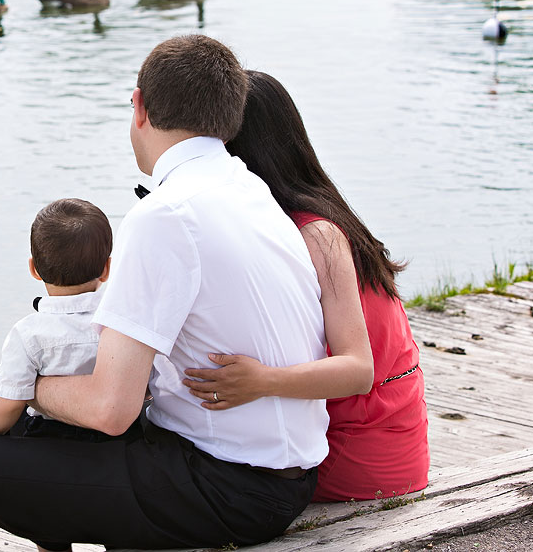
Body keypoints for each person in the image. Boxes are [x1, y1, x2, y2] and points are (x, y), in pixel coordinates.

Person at [0, 35, 330, 552]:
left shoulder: (165, 215)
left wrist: (26, 383)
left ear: (140, 106)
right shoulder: (249, 191)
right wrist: (15, 386)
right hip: (279, 477)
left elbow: (110, 409)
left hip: (222, 487)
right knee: (0, 392)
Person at [182, 70, 429, 502]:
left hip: (359, 457)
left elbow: (358, 372)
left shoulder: (312, 235)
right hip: (393, 445)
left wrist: (262, 381)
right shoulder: (319, 213)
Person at [0, 197, 115, 441]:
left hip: (49, 441)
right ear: (106, 269)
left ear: (34, 269)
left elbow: (9, 406)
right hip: (114, 441)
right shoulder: (119, 322)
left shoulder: (28, 333)